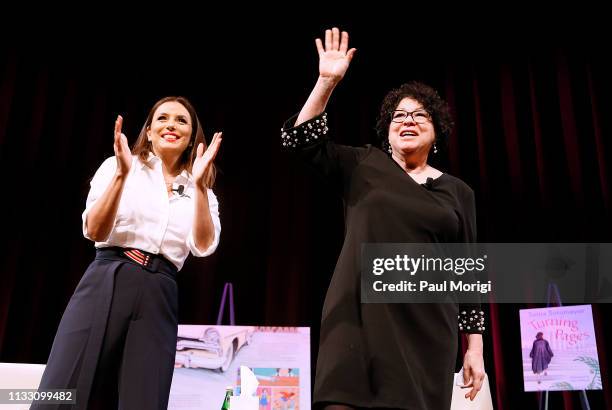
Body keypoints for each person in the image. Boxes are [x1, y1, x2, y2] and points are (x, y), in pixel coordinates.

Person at [280, 28, 485, 409]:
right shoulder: (363, 165)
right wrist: (326, 82)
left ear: (436, 130)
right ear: (386, 131)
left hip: (428, 330)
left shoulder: (458, 192)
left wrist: (475, 349)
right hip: (358, 318)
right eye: (398, 116)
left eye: (419, 115)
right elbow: (299, 140)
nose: (407, 120)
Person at [32, 96, 222, 410]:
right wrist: (121, 175)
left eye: (181, 120)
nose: (171, 125)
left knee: (146, 398)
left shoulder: (201, 188)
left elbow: (203, 246)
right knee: (62, 388)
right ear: (148, 131)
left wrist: (200, 187)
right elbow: (94, 230)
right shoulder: (119, 165)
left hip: (159, 289)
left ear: (191, 137)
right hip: (110, 275)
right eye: (162, 118)